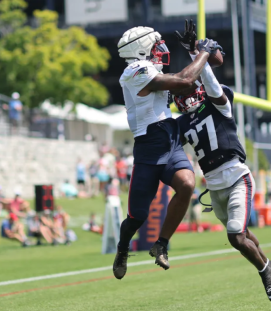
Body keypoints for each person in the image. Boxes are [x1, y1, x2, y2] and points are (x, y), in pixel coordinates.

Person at [175, 23, 271, 301]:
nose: (183, 97)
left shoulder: (219, 104)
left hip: (236, 177)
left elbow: (208, 81)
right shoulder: (182, 122)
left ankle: (266, 273)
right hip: (214, 184)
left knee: (235, 236)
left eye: (186, 92)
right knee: (243, 234)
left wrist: (192, 52)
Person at [113, 22, 222, 277]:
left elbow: (187, 83)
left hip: (170, 138)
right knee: (136, 218)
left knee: (187, 184)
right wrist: (204, 52)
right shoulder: (134, 70)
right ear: (140, 50)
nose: (159, 49)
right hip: (149, 146)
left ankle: (161, 244)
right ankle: (122, 246)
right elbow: (183, 79)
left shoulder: (149, 68)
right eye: (154, 45)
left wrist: (196, 50)